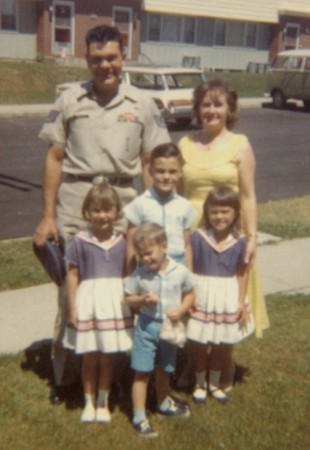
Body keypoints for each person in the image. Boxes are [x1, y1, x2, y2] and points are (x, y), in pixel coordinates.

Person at [33, 24, 170, 403]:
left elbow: (150, 161)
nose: (104, 65)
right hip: (77, 203)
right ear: (87, 59)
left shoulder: (142, 103)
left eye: (111, 57)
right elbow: (54, 158)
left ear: (123, 57)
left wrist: (150, 215)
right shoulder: (69, 99)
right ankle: (66, 377)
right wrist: (47, 216)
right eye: (96, 59)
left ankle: (121, 371)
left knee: (124, 290)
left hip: (125, 204)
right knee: (71, 291)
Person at [178, 77, 269, 389]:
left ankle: (223, 365)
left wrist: (252, 237)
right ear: (197, 109)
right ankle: (193, 366)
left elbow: (248, 196)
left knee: (225, 297)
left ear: (230, 109)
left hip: (227, 234)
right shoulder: (185, 144)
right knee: (195, 298)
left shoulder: (240, 145)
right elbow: (177, 193)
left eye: (218, 104)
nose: (211, 110)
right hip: (192, 234)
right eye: (205, 104)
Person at [63, 183, 133, 422]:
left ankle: (104, 401)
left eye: (107, 210)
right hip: (89, 303)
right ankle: (88, 402)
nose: (102, 216)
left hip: (114, 303)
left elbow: (127, 274)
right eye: (96, 210)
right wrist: (72, 308)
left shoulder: (123, 241)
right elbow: (72, 276)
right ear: (87, 213)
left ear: (116, 212)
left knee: (108, 356)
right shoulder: (80, 241)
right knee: (90, 355)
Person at [124, 223, 195, 438]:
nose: (145, 258)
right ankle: (138, 417)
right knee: (142, 372)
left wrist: (182, 309)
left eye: (149, 253)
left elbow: (190, 293)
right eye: (141, 254)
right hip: (146, 327)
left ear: (164, 246)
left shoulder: (180, 271)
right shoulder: (139, 275)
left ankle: (164, 403)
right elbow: (127, 297)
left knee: (165, 369)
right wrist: (142, 299)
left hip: (168, 328)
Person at [187, 187, 255, 404]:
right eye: (215, 212)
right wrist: (190, 295)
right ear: (207, 212)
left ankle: (215, 384)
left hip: (227, 295)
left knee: (221, 344)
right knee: (199, 342)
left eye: (225, 211)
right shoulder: (197, 238)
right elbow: (189, 270)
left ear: (235, 213)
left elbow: (242, 274)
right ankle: (199, 383)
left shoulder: (241, 241)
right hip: (203, 295)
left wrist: (240, 301)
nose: (220, 217)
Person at [124, 143, 196, 271]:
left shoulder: (184, 206)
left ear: (180, 173)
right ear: (151, 171)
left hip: (178, 268)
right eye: (160, 171)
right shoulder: (139, 204)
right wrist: (131, 276)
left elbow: (187, 245)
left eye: (172, 172)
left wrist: (189, 275)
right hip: (148, 268)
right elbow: (130, 245)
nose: (166, 177)